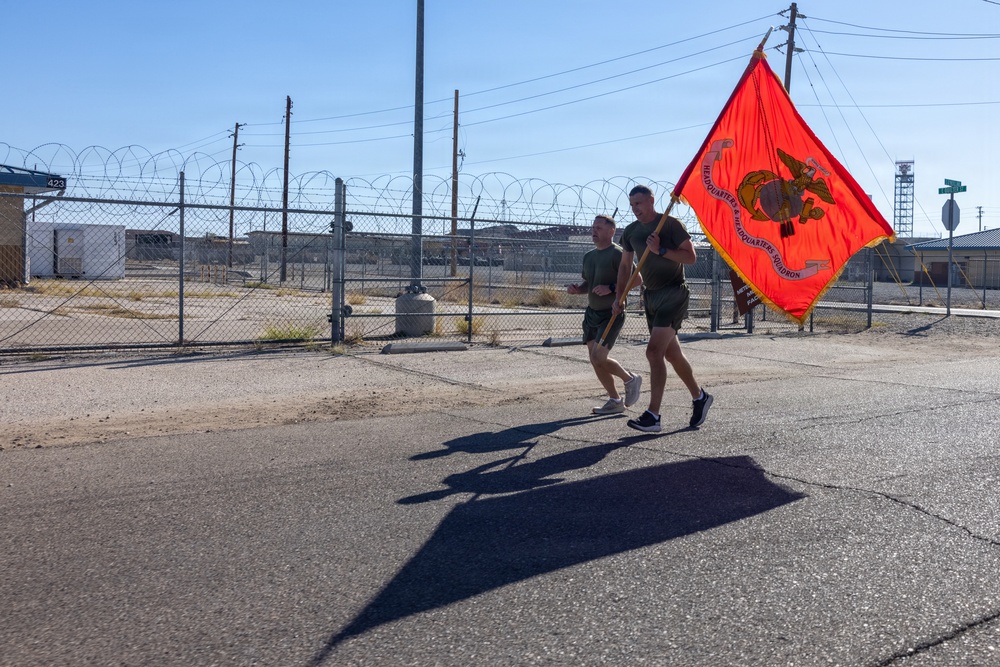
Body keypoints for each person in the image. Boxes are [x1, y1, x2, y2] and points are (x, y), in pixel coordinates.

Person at [612, 185, 713, 432]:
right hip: (652, 296)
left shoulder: (670, 224)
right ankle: (700, 397)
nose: (635, 208)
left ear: (651, 201)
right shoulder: (631, 232)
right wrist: (619, 297)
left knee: (653, 352)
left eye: (639, 203)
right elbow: (625, 267)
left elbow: (690, 257)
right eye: (632, 204)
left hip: (674, 292)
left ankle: (653, 415)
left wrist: (661, 250)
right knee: (671, 354)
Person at [566, 214, 642, 415]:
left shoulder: (618, 254)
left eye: (599, 228)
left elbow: (637, 280)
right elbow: (589, 285)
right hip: (592, 313)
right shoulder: (589, 256)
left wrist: (611, 287)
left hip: (612, 312)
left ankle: (630, 379)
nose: (594, 231)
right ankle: (615, 400)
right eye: (593, 227)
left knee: (599, 357)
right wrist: (577, 289)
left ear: (611, 232)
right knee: (594, 359)